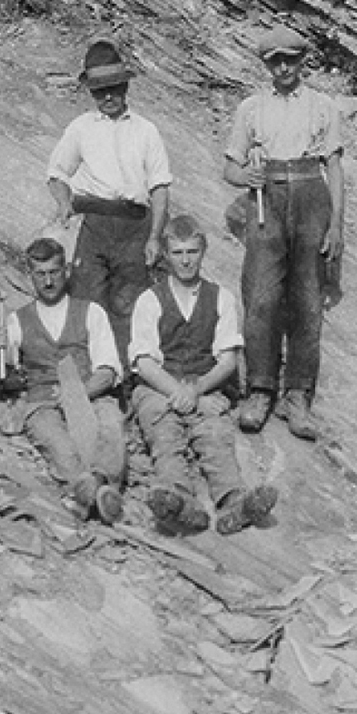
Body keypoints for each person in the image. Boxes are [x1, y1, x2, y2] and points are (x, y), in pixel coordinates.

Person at [223, 25, 345, 441]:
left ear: (302, 61)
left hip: (313, 195)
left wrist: (337, 225)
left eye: (290, 59)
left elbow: (334, 167)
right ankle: (260, 389)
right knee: (260, 296)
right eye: (275, 61)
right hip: (266, 198)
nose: (283, 67)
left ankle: (298, 396)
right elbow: (230, 167)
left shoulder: (323, 106)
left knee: (308, 300)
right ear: (267, 65)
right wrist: (246, 176)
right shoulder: (251, 108)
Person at [130, 215, 278, 537]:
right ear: (166, 256)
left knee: (214, 435)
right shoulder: (150, 300)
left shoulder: (220, 298)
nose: (186, 260)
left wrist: (195, 390)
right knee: (164, 432)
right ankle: (181, 502)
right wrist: (176, 392)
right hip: (160, 386)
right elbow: (144, 362)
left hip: (204, 384)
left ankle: (233, 503)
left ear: (203, 251)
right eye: (179, 253)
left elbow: (227, 362)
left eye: (192, 252)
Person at [46, 40, 171, 356]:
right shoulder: (81, 128)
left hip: (134, 225)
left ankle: (130, 385)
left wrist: (155, 237)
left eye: (114, 88)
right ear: (91, 92)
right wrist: (63, 203)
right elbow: (57, 173)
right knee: (88, 301)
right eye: (99, 91)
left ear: (126, 85)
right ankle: (93, 379)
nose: (108, 96)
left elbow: (159, 188)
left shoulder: (146, 131)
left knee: (130, 305)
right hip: (94, 224)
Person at [2, 237, 125, 523]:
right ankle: (95, 492)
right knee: (56, 440)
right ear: (30, 275)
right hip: (43, 401)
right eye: (40, 274)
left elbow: (107, 371)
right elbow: (3, 370)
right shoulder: (16, 320)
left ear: (66, 271)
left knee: (111, 424)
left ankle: (94, 484)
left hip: (90, 394)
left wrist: (77, 393)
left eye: (54, 272)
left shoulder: (91, 312)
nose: (48, 282)